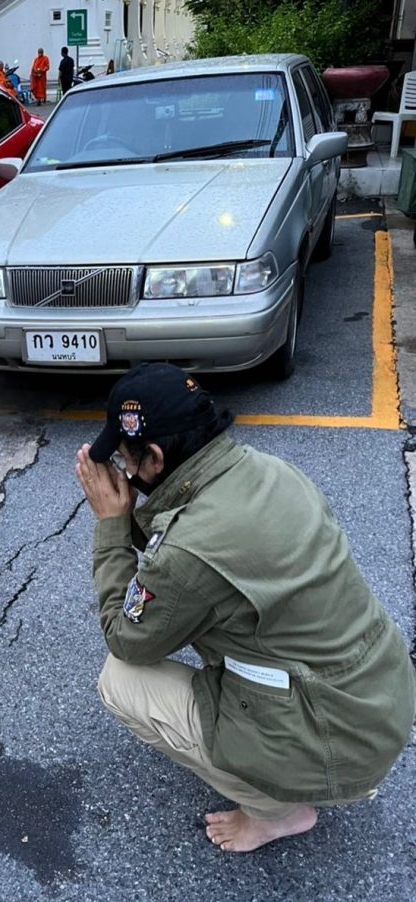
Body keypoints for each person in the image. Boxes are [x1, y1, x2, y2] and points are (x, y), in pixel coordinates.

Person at [75, 363, 416, 853]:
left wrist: (111, 525)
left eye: (126, 461)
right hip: (380, 697)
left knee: (121, 681)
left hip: (338, 742)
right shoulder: (264, 469)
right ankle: (294, 767)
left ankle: (278, 812)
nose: (123, 472)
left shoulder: (189, 551)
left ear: (153, 458)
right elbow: (189, 550)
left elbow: (127, 635)